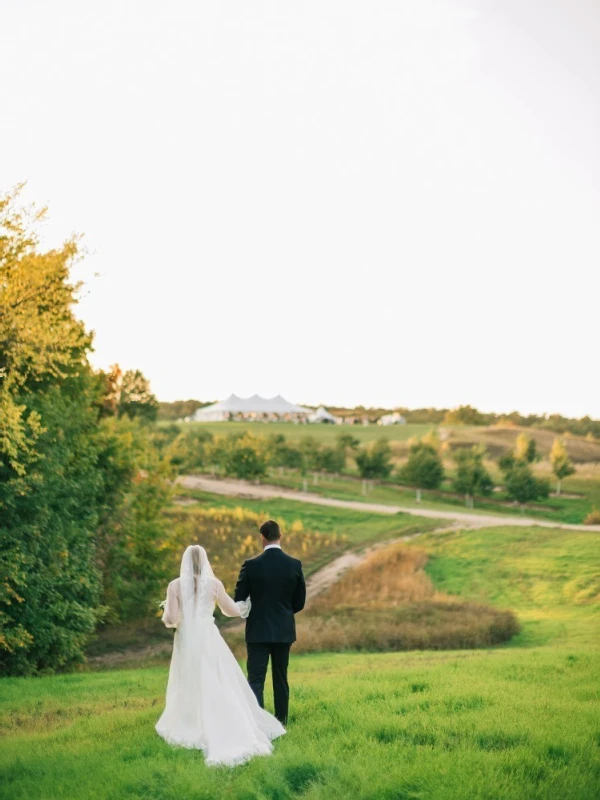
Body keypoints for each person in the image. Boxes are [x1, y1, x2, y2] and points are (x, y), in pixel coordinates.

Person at [155, 545, 285, 766]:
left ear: (185, 561)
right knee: (217, 677)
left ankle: (191, 721)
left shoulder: (174, 586)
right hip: (208, 637)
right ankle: (226, 718)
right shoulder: (214, 585)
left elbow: (171, 619)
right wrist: (247, 604)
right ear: (205, 561)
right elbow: (231, 610)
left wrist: (168, 611)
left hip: (187, 638)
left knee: (188, 679)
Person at [234, 519, 306, 725]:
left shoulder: (251, 565)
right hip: (284, 630)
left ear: (261, 538)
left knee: (255, 679)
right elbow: (299, 601)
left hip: (257, 631)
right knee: (280, 678)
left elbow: (239, 598)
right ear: (280, 536)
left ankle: (258, 722)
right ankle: (281, 721)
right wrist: (284, 613)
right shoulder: (294, 564)